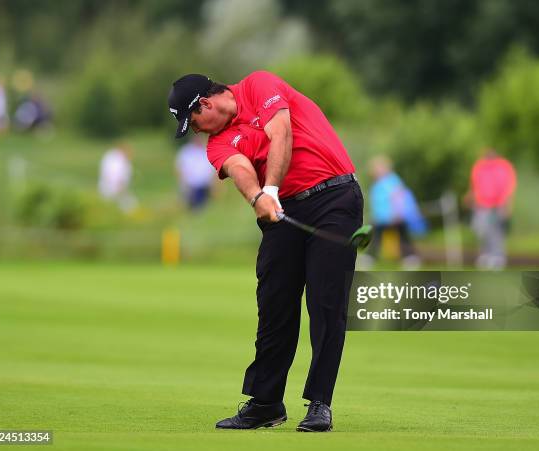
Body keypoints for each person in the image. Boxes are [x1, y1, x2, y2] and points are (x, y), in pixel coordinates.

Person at [168, 71, 363, 432]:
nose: (195, 131)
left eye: (192, 121)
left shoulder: (259, 85)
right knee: (274, 304)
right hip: (281, 210)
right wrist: (259, 196)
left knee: (325, 303)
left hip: (334, 198)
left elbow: (281, 133)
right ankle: (266, 403)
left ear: (206, 103)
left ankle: (320, 403)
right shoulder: (216, 142)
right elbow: (238, 166)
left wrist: (269, 188)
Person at [366, 156, 425, 269]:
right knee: (375, 238)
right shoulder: (377, 183)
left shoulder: (392, 180)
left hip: (395, 216)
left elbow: (399, 197)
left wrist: (398, 212)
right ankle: (370, 258)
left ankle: (410, 258)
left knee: (402, 237)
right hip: (381, 218)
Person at [466, 148, 516, 269]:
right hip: (482, 204)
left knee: (497, 231)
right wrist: (470, 196)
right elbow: (474, 184)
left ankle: (498, 256)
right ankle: (485, 255)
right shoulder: (479, 166)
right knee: (482, 230)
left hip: (499, 204)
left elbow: (509, 186)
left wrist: (507, 203)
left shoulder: (504, 166)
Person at [175, 134, 215, 211]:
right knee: (193, 206)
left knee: (203, 207)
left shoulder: (207, 151)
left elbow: (212, 170)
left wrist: (215, 185)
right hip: (191, 184)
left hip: (204, 184)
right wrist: (183, 182)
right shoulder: (186, 152)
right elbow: (179, 168)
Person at [98, 144, 137, 213]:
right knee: (127, 206)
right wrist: (120, 187)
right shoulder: (115, 160)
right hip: (113, 188)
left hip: (114, 188)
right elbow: (114, 175)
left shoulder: (116, 158)